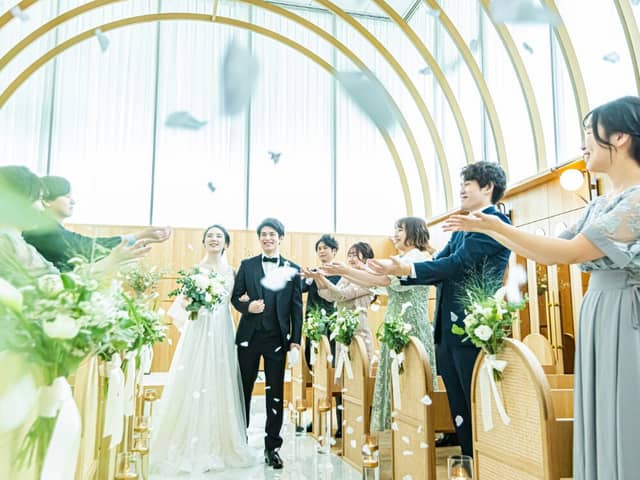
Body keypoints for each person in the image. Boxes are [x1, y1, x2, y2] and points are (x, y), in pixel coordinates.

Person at [442, 97, 640, 478]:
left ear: (620, 137)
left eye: (589, 132)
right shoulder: (600, 204)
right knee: (601, 414)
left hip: (624, 312)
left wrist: (495, 225)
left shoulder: (636, 199)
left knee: (625, 413)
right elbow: (545, 251)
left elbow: (570, 251)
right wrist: (491, 228)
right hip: (599, 309)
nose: (582, 143)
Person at [368, 162, 511, 457]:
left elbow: (456, 265)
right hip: (448, 329)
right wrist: (401, 270)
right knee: (458, 404)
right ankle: (469, 461)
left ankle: (485, 463)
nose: (461, 189)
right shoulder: (464, 227)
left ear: (488, 188)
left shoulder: (493, 224)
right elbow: (438, 262)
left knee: (475, 403)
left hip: (475, 327)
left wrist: (407, 269)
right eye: (461, 184)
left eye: (468, 183)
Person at [151, 224, 258, 475]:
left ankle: (221, 442)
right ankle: (189, 440)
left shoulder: (232, 272)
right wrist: (193, 302)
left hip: (221, 329)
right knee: (194, 376)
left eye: (219, 236)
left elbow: (237, 299)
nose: (214, 239)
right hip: (199, 328)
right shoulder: (196, 271)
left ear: (226, 243)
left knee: (220, 378)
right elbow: (184, 302)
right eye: (210, 236)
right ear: (204, 242)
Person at [323, 217, 437, 433]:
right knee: (396, 377)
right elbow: (373, 281)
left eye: (400, 229)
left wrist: (346, 271)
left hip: (411, 325)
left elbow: (382, 281)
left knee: (411, 376)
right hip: (395, 323)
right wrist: (346, 271)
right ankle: (400, 426)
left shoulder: (417, 257)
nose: (395, 234)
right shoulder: (401, 258)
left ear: (414, 232)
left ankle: (416, 426)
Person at [231, 218, 303, 470]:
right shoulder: (247, 265)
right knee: (243, 389)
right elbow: (235, 297)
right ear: (259, 238)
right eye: (263, 234)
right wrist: (247, 307)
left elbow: (296, 308)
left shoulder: (293, 268)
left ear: (281, 238)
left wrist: (295, 341)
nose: (268, 238)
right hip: (249, 337)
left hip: (277, 339)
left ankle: (272, 447)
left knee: (275, 393)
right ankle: (239, 441)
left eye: (272, 234)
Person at [23, 176, 171, 272]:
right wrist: (138, 237)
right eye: (67, 197)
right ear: (46, 200)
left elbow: (87, 245)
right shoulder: (43, 232)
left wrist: (140, 238)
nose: (73, 201)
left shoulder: (53, 229)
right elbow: (89, 247)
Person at [304, 241, 376, 361]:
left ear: (366, 258)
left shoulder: (367, 278)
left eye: (355, 255)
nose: (351, 258)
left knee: (357, 370)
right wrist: (317, 278)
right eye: (349, 255)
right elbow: (329, 295)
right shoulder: (346, 277)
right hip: (342, 330)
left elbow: (341, 295)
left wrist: (321, 277)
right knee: (340, 370)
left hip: (358, 332)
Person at [302, 234, 341, 369]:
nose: (321, 251)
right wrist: (307, 278)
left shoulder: (339, 273)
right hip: (313, 319)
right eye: (319, 248)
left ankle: (331, 377)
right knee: (312, 351)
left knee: (330, 351)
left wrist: (317, 277)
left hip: (331, 319)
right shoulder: (313, 271)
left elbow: (332, 293)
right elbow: (301, 288)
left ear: (334, 251)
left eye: (325, 248)